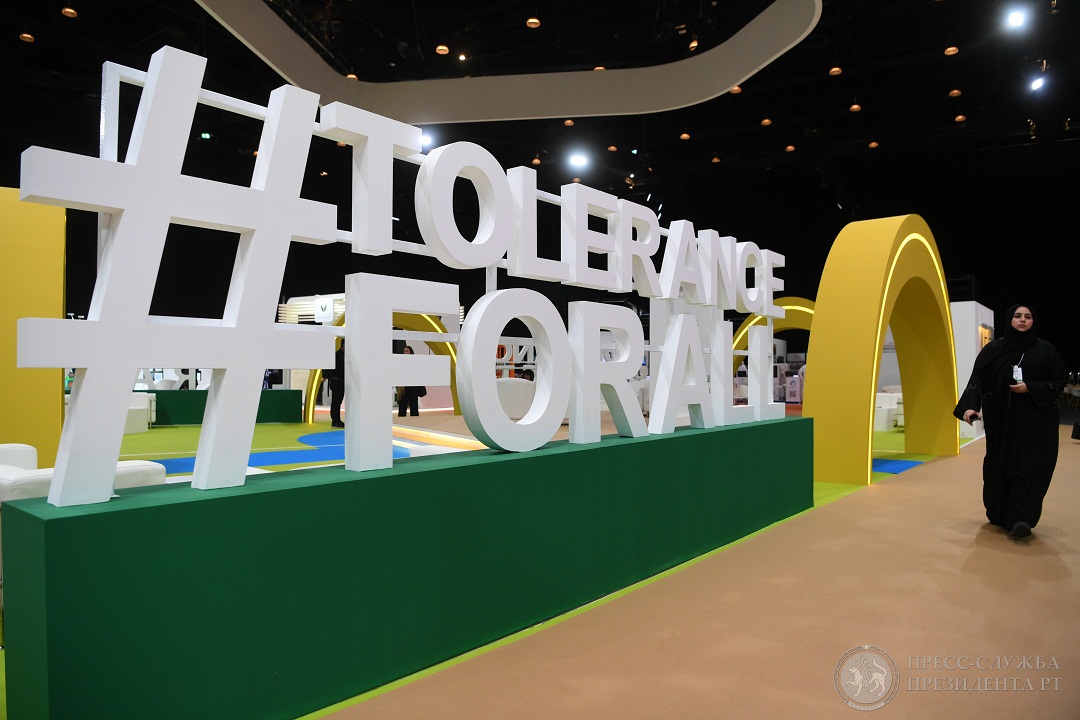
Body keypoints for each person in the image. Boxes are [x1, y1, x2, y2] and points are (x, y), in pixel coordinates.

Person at [953, 304, 1066, 539]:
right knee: (999, 464)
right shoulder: (994, 349)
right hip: (1001, 422)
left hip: (1035, 423)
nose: (1023, 320)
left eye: (1028, 316)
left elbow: (1057, 383)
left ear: (1033, 321)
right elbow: (978, 379)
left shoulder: (1045, 351)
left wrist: (1030, 387)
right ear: (1009, 319)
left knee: (1029, 466)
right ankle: (1000, 512)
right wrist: (970, 407)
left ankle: (1020, 518)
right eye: (1017, 316)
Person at [396, 345, 425, 417]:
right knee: (402, 403)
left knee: (414, 403)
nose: (405, 353)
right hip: (403, 385)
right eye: (404, 351)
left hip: (413, 385)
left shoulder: (415, 362)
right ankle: (401, 418)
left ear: (411, 352)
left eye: (407, 351)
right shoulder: (400, 362)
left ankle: (415, 419)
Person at [325, 339, 345, 428]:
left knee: (338, 401)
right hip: (336, 381)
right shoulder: (336, 355)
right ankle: (335, 420)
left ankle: (337, 420)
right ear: (343, 345)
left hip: (341, 381)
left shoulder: (344, 355)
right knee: (336, 401)